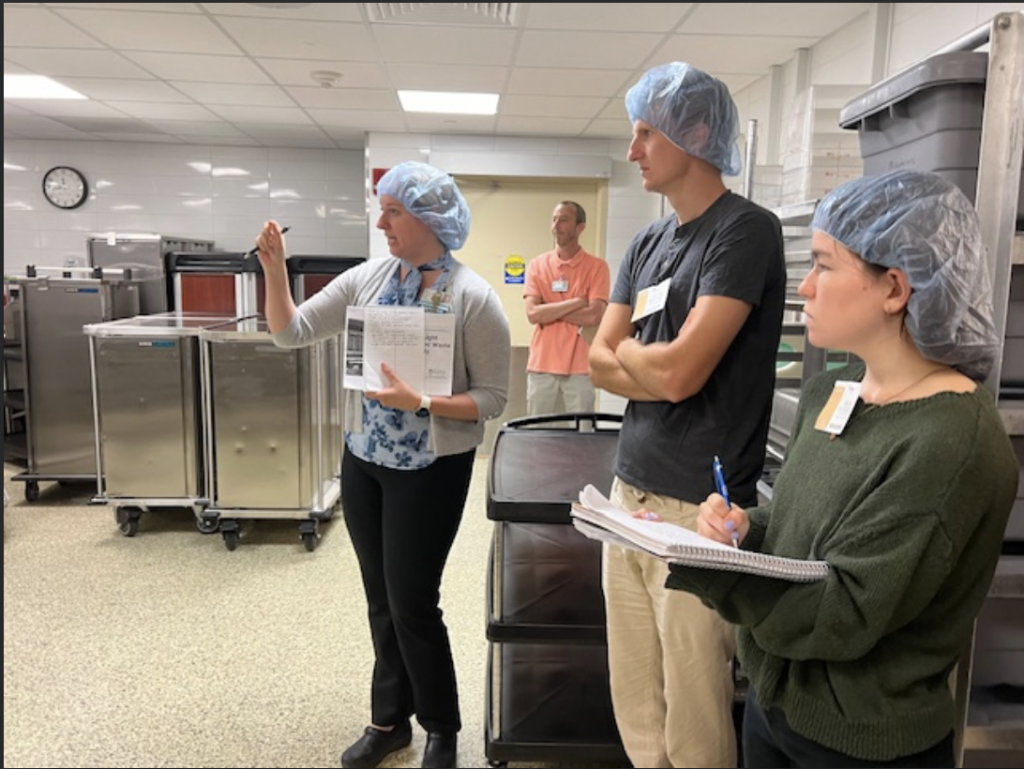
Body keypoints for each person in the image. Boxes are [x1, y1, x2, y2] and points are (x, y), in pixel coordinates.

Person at [665, 168, 1018, 768]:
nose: (805, 288)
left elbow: (845, 611)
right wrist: (746, 531)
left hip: (860, 741)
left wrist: (716, 572)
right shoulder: (833, 390)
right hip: (776, 704)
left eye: (824, 266)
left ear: (894, 289)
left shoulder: (950, 441)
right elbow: (801, 522)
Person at [254, 161, 511, 769]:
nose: (381, 223)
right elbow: (290, 332)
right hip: (364, 462)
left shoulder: (473, 298)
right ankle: (389, 720)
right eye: (383, 210)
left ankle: (442, 728)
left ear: (430, 218)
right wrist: (274, 271)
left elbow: (493, 399)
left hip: (431, 468)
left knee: (413, 601)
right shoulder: (366, 279)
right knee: (381, 598)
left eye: (393, 211)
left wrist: (420, 401)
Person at [588, 62, 786, 768]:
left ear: (695, 133)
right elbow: (597, 361)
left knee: (694, 717)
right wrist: (652, 362)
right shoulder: (646, 244)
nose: (633, 150)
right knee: (637, 701)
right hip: (628, 495)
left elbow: (680, 374)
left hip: (697, 510)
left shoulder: (745, 232)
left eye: (646, 133)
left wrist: (637, 358)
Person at [523, 200, 610, 415]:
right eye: (554, 220)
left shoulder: (597, 267)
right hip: (542, 364)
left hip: (581, 366)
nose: (556, 226)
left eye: (563, 220)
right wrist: (576, 302)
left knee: (582, 430)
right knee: (536, 429)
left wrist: (549, 310)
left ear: (580, 227)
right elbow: (533, 314)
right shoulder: (537, 266)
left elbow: (593, 316)